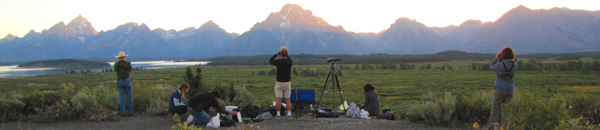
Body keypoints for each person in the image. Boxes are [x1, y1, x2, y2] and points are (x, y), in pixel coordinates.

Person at [486, 47, 518, 130]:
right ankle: (506, 127)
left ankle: (491, 127)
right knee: (507, 110)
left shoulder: (499, 65)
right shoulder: (515, 65)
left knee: (495, 108)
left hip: (500, 89)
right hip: (510, 89)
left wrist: (496, 58)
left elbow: (491, 67)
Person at [269, 46, 293, 119]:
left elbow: (270, 61)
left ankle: (278, 115)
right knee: (287, 99)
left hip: (279, 83)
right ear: (287, 54)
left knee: (279, 99)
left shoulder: (278, 62)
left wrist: (276, 54)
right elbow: (289, 59)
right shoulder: (290, 62)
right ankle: (289, 114)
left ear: (281, 54)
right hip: (287, 83)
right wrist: (286, 55)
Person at [114, 51, 134, 116]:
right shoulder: (127, 63)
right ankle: (130, 112)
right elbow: (129, 69)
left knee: (122, 97)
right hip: (127, 81)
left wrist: (120, 62)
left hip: (120, 81)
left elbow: (115, 69)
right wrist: (124, 62)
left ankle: (122, 112)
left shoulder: (116, 64)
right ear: (124, 57)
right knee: (129, 97)